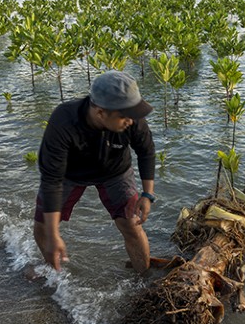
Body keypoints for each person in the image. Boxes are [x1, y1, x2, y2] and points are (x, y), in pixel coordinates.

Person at [33, 70, 156, 276]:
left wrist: (147, 194)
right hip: (69, 175)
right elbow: (52, 180)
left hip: (116, 171)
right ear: (100, 112)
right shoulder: (64, 121)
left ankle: (143, 278)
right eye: (125, 116)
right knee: (43, 228)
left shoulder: (132, 120)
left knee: (132, 226)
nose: (132, 121)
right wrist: (54, 235)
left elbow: (146, 151)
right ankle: (53, 275)